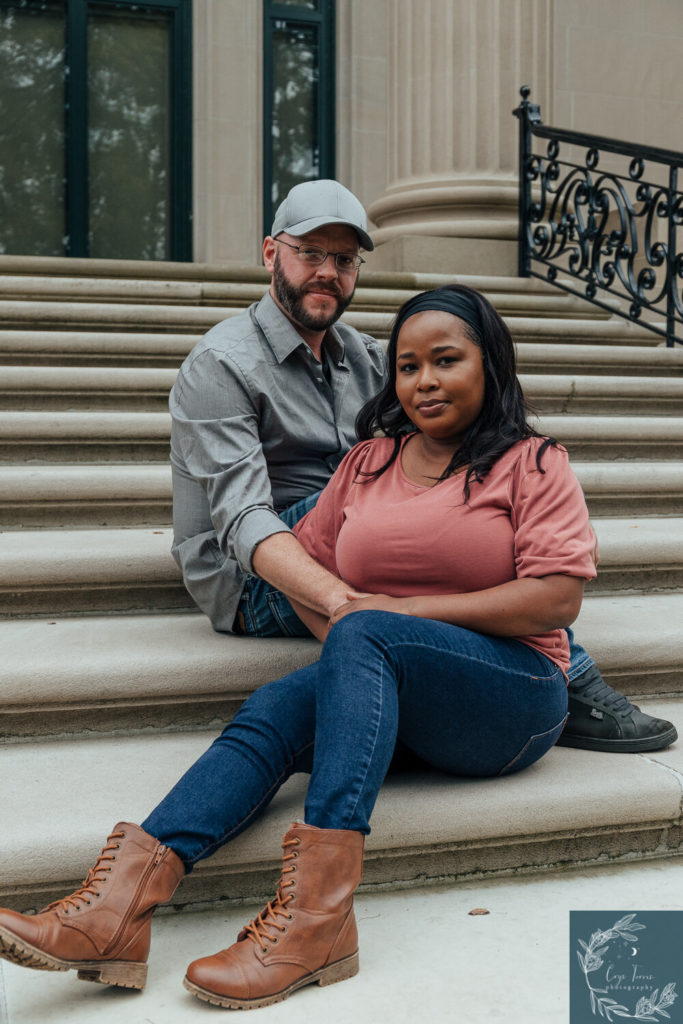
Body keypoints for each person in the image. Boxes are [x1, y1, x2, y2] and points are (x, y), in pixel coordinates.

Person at [0, 284, 600, 1010]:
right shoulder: (367, 464)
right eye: (407, 367)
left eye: (446, 360)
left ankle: (318, 923)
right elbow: (308, 578)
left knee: (362, 629)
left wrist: (383, 618)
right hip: (399, 692)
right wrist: (352, 641)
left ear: (489, 365)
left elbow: (555, 597)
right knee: (275, 708)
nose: (424, 382)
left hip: (513, 698)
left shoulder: (532, 463)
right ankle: (118, 910)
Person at [170, 178, 676, 753]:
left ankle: (549, 630)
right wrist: (347, 606)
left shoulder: (363, 355)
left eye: (344, 259)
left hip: (347, 537)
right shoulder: (220, 364)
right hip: (255, 575)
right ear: (270, 253)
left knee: (491, 488)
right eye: (309, 252)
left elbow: (450, 456)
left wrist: (543, 502)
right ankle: (572, 675)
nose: (327, 273)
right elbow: (243, 520)